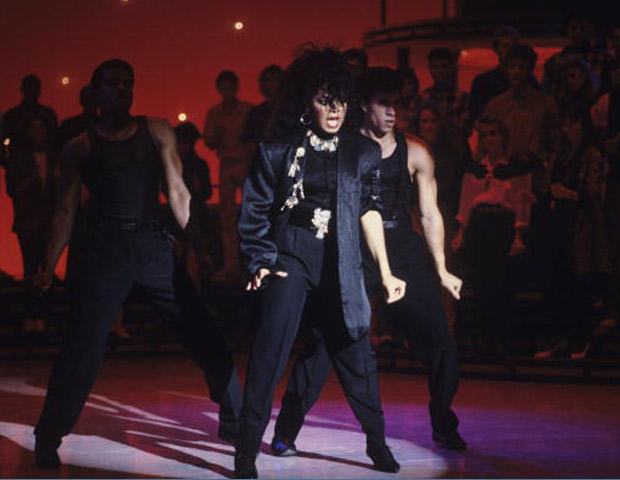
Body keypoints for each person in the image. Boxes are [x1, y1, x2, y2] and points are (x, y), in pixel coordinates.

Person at [32, 59, 241, 468]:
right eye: (113, 83)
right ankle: (48, 435)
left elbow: (178, 193)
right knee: (82, 347)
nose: (122, 89)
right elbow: (64, 211)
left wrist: (199, 244)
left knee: (199, 326)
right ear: (96, 93)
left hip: (150, 243)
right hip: (104, 250)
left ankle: (236, 417)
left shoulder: (156, 130)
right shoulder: (80, 146)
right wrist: (46, 266)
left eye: (127, 83)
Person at [270, 66, 466, 459]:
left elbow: (430, 214)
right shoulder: (343, 146)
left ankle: (443, 421)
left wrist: (442, 267)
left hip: (403, 249)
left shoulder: (416, 151)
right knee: (326, 342)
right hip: (353, 248)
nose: (392, 112)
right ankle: (286, 432)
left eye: (397, 104)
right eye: (384, 103)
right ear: (364, 105)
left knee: (442, 342)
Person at [235, 47, 406, 479]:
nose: (333, 110)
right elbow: (254, 209)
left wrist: (386, 272)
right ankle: (245, 450)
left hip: (341, 258)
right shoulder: (277, 149)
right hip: (291, 254)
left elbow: (369, 210)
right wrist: (260, 259)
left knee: (355, 351)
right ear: (305, 101)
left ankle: (377, 443)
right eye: (323, 100)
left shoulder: (361, 151)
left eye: (340, 100)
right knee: (270, 349)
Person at [452, 116, 532, 356]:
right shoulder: (476, 169)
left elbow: (521, 202)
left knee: (502, 282)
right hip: (480, 226)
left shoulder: (515, 168)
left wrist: (519, 234)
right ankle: (485, 337)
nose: (490, 140)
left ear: (504, 138)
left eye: (494, 134)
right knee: (481, 282)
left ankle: (503, 337)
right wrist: (461, 232)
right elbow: (466, 201)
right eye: (486, 135)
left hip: (502, 225)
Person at [5, 115, 56, 333]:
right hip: (28, 219)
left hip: (50, 219)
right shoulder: (19, 157)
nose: (38, 131)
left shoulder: (54, 156)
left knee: (46, 268)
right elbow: (12, 189)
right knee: (30, 268)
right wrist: (31, 179)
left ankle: (43, 315)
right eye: (33, 126)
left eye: (41, 126)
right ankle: (31, 314)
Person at [203, 70, 253, 282]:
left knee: (251, 214)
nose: (228, 92)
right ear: (219, 89)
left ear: (236, 88)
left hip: (245, 163)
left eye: (231, 87)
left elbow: (254, 136)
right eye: (224, 88)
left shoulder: (247, 110)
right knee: (227, 218)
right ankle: (231, 265)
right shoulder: (215, 113)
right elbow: (209, 139)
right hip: (226, 164)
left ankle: (251, 263)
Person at [467, 26, 539, 124]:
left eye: (513, 46)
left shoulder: (529, 80)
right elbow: (476, 115)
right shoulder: (483, 82)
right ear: (496, 49)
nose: (509, 50)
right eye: (505, 46)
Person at [172, 121, 213, 290]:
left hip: (192, 218)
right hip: (188, 218)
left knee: (192, 257)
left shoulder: (182, 165)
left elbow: (206, 192)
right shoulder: (193, 165)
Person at [420, 48, 469, 134]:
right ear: (430, 69)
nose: (439, 71)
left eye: (443, 67)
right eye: (435, 67)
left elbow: (466, 129)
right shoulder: (423, 97)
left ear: (451, 69)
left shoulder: (462, 98)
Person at [2, 75, 58, 150]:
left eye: (34, 88)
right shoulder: (48, 114)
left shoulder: (11, 115)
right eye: (30, 87)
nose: (32, 91)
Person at [242, 64, 283, 153]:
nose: (272, 84)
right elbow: (248, 138)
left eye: (275, 79)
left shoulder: (291, 109)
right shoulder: (256, 112)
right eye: (268, 80)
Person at [56, 85, 98, 150]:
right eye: (88, 97)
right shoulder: (105, 125)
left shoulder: (69, 124)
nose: (90, 101)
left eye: (92, 97)